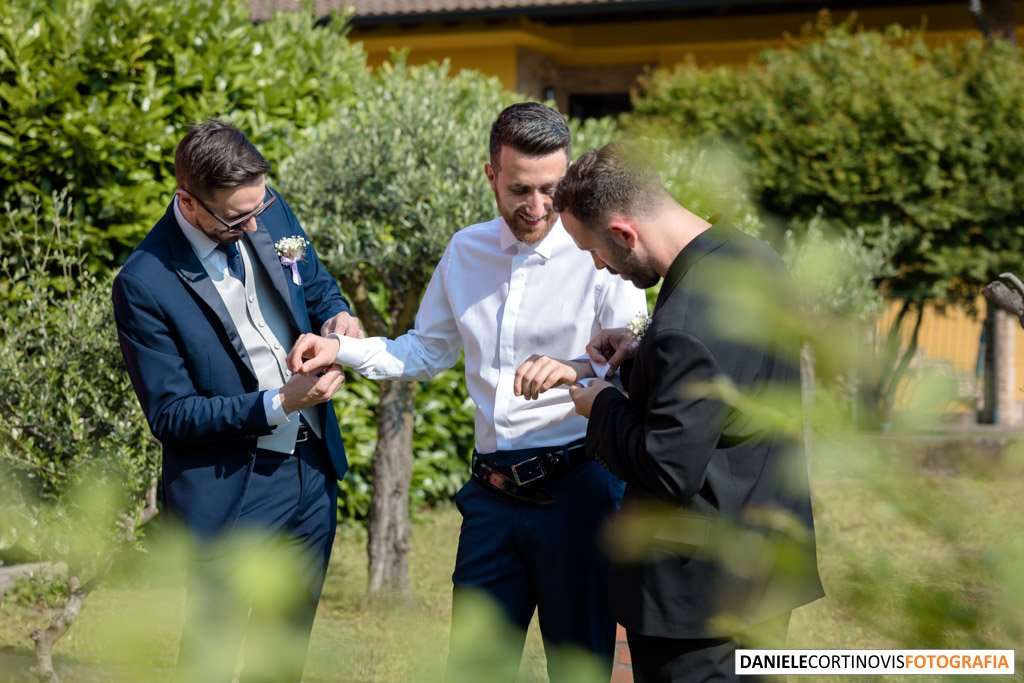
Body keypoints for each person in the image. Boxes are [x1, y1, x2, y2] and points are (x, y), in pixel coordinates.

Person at [286, 103, 646, 680]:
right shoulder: (464, 251)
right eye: (520, 190)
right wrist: (341, 350)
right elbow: (425, 351)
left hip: (580, 493)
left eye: (551, 189)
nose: (536, 207)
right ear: (490, 177)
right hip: (490, 499)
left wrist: (573, 367)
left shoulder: (600, 255)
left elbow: (630, 356)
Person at [544, 143, 825, 682]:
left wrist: (599, 405)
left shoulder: (684, 325)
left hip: (697, 602)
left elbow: (669, 467)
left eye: (594, 251)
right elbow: (721, 389)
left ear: (625, 233)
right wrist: (639, 351)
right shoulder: (753, 257)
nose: (599, 267)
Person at [112, 119, 361, 683]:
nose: (255, 224)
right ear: (188, 202)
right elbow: (171, 415)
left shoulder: (265, 208)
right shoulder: (143, 282)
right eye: (237, 218)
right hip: (231, 493)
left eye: (260, 207)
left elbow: (317, 286)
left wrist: (337, 320)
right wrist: (279, 402)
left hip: (312, 469)